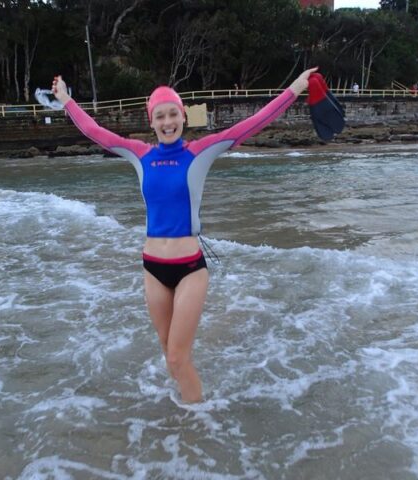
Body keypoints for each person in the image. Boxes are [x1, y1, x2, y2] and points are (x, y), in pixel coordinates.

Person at [51, 67, 317, 403]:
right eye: (160, 116)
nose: (167, 122)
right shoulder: (139, 154)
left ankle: (199, 420)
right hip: (152, 268)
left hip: (190, 267)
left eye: (173, 114)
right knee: (168, 351)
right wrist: (66, 100)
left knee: (177, 357)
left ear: (183, 116)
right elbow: (95, 131)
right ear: (151, 122)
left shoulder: (199, 151)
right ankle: (185, 410)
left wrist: (295, 88)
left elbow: (252, 123)